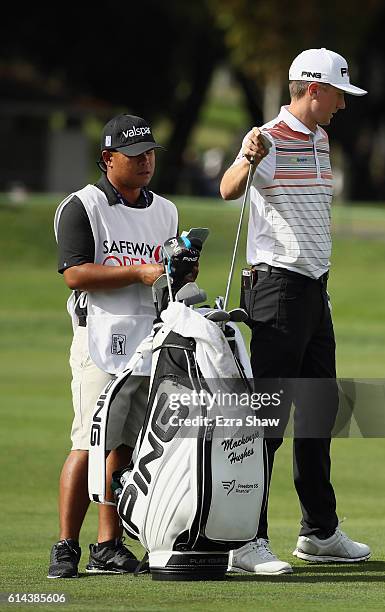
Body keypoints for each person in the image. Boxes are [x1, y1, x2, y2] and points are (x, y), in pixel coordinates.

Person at [220, 48, 371, 575]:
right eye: (338, 95)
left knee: (317, 416)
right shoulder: (269, 139)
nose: (343, 106)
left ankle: (320, 532)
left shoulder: (322, 139)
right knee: (268, 421)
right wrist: (246, 155)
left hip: (313, 294)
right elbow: (228, 189)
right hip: (276, 293)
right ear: (313, 90)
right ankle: (246, 541)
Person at [48, 114, 179, 578]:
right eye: (135, 155)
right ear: (108, 159)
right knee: (88, 442)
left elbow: (163, 274)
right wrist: (138, 273)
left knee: (122, 446)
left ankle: (108, 546)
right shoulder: (82, 206)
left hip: (148, 339)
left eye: (150, 154)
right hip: (98, 337)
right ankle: (66, 545)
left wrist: (179, 271)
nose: (146, 162)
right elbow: (75, 274)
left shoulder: (165, 210)